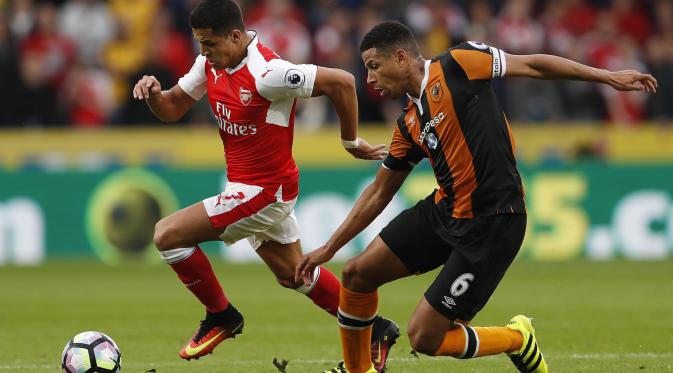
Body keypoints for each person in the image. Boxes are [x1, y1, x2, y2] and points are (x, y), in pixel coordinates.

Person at [296, 20, 657, 373]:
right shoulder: (408, 123)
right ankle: (358, 370)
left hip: (494, 220)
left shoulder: (460, 62)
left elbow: (532, 64)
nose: (369, 79)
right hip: (446, 211)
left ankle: (517, 338)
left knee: (424, 336)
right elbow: (378, 192)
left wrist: (607, 77)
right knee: (357, 273)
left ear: (402, 57)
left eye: (374, 67)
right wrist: (328, 248)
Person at [131, 0, 401, 366]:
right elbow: (173, 107)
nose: (204, 52)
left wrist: (350, 142)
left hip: (265, 192)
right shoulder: (209, 62)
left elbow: (343, 82)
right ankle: (375, 328)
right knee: (294, 275)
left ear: (236, 36)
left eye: (209, 43)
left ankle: (221, 316)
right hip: (247, 187)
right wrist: (153, 95)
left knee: (167, 235)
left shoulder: (268, 73)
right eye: (199, 43)